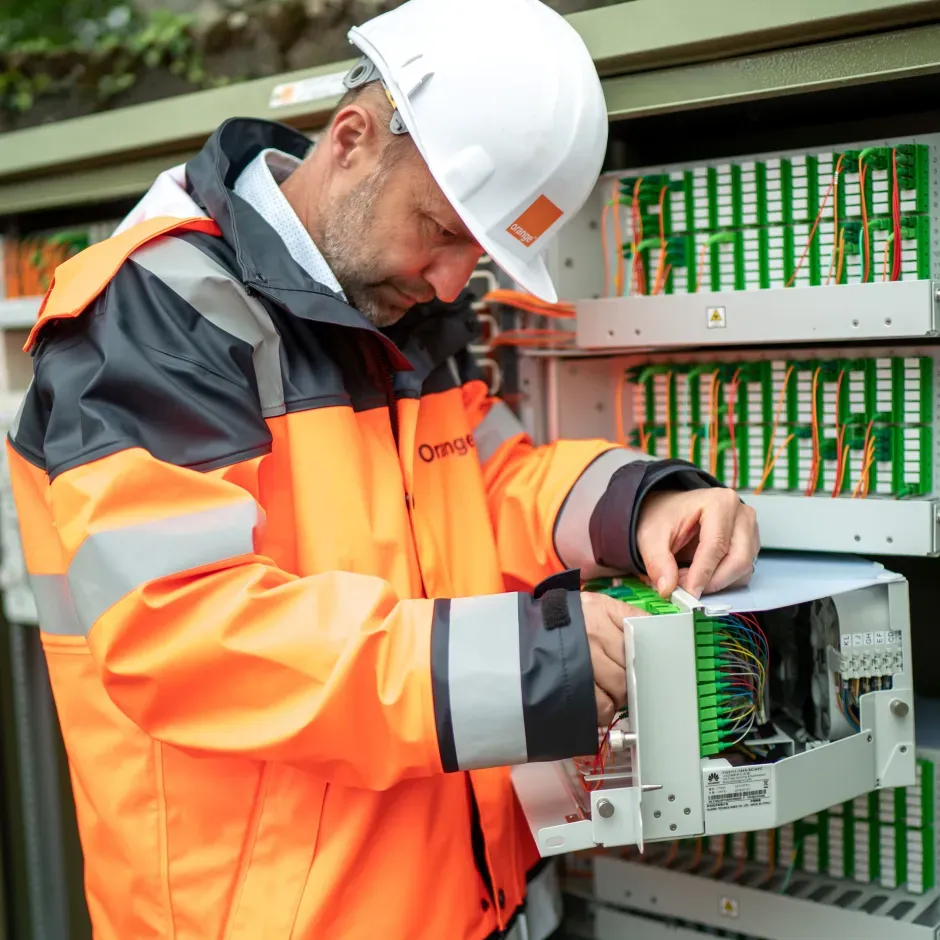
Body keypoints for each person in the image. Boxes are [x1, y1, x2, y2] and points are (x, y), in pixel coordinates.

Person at [6, 0, 759, 937]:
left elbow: (485, 485)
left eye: (475, 255)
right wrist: (536, 666)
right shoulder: (158, 315)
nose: (452, 281)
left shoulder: (393, 313)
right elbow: (190, 637)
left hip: (475, 900)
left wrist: (645, 504)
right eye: (440, 231)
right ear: (355, 139)